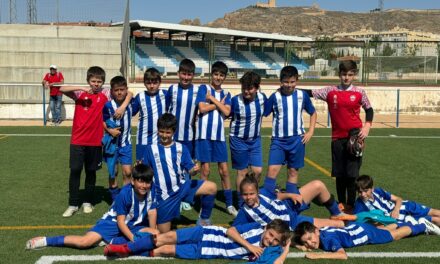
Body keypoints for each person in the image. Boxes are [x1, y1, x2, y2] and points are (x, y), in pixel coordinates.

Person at [25, 164, 158, 250]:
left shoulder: (152, 191)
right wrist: (134, 239)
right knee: (85, 242)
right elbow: (120, 221)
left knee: (157, 235)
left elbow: (152, 212)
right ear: (133, 181)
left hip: (133, 224)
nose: (144, 186)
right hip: (113, 223)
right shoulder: (125, 194)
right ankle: (46, 240)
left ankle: (111, 241)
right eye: (141, 181)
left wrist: (152, 231)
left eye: (147, 182)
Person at [59, 66, 133, 217]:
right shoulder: (80, 93)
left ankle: (87, 201)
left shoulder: (106, 94)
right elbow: (61, 89)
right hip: (78, 140)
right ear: (89, 81)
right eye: (93, 81)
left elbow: (129, 92)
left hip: (96, 141)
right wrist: (82, 87)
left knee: (91, 172)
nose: (96, 84)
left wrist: (124, 105)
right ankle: (73, 204)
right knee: (75, 171)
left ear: (103, 82)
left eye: (99, 81)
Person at [307, 60, 374, 211]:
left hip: (354, 139)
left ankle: (351, 204)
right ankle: (341, 204)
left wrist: (367, 126)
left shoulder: (359, 92)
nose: (346, 78)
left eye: (350, 75)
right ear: (339, 74)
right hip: (337, 139)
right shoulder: (330, 91)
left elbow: (369, 109)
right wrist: (290, 89)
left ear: (354, 75)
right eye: (344, 74)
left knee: (352, 175)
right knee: (339, 174)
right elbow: (310, 93)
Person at [140, 113, 217, 232]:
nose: (164, 135)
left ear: (173, 132)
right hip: (164, 195)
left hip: (181, 187)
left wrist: (194, 170)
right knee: (163, 235)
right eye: (161, 132)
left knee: (211, 187)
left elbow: (190, 170)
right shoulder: (151, 149)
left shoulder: (181, 148)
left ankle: (204, 220)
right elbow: (144, 172)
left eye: (168, 132)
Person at [103, 219, 291, 263]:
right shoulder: (256, 227)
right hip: (206, 232)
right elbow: (231, 230)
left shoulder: (264, 253)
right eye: (270, 234)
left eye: (275, 240)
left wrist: (286, 248)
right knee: (166, 237)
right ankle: (125, 247)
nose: (270, 239)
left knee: (166, 250)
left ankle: (122, 252)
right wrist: (249, 245)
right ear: (266, 228)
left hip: (206, 251)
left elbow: (278, 262)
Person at [264, 66, 317, 195]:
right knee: (272, 171)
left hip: (297, 140)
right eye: (286, 82)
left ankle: (290, 203)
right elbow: (264, 112)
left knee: (293, 172)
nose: (289, 85)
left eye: (292, 82)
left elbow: (313, 112)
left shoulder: (302, 95)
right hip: (278, 141)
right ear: (280, 81)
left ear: (297, 81)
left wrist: (310, 131)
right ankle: (268, 202)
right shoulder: (274, 97)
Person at [233, 172, 350, 230]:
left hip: (289, 205)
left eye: (251, 193)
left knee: (318, 185)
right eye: (245, 195)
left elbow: (277, 196)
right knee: (339, 225)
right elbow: (234, 230)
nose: (248, 197)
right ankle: (344, 221)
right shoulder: (244, 212)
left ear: (257, 191)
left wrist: (291, 195)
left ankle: (337, 213)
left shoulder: (263, 192)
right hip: (292, 222)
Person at [196, 61, 238, 216]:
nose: (218, 77)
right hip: (204, 136)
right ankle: (203, 204)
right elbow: (201, 108)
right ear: (211, 74)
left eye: (221, 75)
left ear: (224, 77)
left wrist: (212, 100)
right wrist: (218, 104)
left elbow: (227, 112)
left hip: (219, 137)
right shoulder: (203, 88)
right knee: (205, 170)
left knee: (224, 171)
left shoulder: (227, 94)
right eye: (216, 74)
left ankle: (229, 204)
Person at [293, 219, 439, 260]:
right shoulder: (319, 235)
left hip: (364, 234)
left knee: (394, 236)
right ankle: (404, 221)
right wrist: (300, 246)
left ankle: (422, 225)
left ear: (317, 232)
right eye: (306, 242)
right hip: (359, 227)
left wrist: (318, 255)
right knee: (383, 230)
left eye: (310, 239)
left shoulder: (328, 240)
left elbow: (342, 255)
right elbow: (297, 240)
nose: (310, 243)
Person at [229, 71, 266, 205]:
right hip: (238, 140)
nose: (246, 91)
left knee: (258, 171)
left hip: (255, 140)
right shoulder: (235, 101)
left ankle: (252, 195)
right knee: (242, 172)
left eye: (250, 88)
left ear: (257, 88)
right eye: (244, 88)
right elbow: (226, 113)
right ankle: (241, 202)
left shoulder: (262, 99)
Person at [354, 174, 440, 227]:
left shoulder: (378, 191)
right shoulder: (359, 204)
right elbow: (358, 220)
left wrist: (396, 210)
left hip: (404, 207)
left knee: (435, 212)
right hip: (396, 219)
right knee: (433, 219)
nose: (363, 194)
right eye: (360, 192)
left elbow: (399, 199)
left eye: (365, 191)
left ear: (372, 189)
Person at [102, 76, 134, 200]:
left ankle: (125, 197)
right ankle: (115, 199)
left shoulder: (131, 102)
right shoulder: (108, 106)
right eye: (116, 90)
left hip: (126, 144)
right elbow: (103, 120)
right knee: (113, 172)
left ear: (126, 89)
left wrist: (123, 106)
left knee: (128, 172)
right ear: (111, 91)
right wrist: (109, 130)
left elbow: (130, 94)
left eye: (122, 89)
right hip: (112, 145)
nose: (119, 92)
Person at [165, 58, 200, 158]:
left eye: (189, 74)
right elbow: (166, 109)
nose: (186, 77)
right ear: (178, 73)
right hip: (172, 135)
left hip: (189, 136)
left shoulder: (198, 91)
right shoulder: (172, 89)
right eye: (183, 74)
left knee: (187, 167)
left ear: (193, 75)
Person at [131, 68, 167, 161]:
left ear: (160, 83)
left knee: (160, 168)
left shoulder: (165, 94)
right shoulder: (140, 96)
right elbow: (130, 112)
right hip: (143, 139)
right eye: (148, 83)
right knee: (142, 168)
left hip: (162, 138)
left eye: (155, 83)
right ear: (144, 83)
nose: (151, 86)